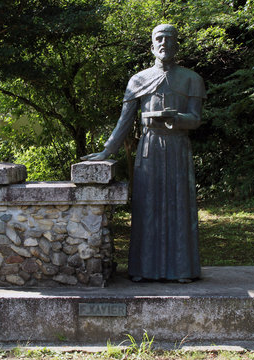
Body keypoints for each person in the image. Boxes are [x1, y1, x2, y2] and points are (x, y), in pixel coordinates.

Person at [81, 24, 206, 282]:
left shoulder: (192, 79)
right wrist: (107, 150)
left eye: (170, 39)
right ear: (152, 46)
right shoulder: (138, 80)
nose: (164, 43)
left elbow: (195, 119)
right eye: (159, 39)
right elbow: (125, 121)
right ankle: (143, 268)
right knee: (146, 206)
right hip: (149, 149)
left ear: (177, 45)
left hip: (178, 147)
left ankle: (181, 269)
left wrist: (177, 119)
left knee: (178, 206)